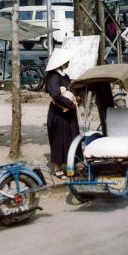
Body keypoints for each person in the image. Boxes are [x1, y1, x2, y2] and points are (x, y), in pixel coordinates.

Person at [45, 49, 79, 179]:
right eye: (66, 60)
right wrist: (70, 104)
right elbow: (55, 95)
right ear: (60, 63)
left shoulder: (65, 76)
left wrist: (76, 99)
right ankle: (57, 168)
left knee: (71, 136)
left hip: (68, 112)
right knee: (59, 139)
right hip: (58, 113)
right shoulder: (53, 76)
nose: (69, 62)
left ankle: (70, 163)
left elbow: (69, 92)